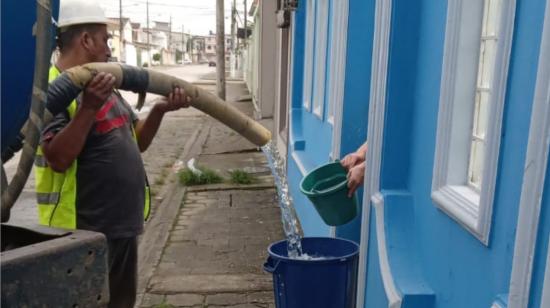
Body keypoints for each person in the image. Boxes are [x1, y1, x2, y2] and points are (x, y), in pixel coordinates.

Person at [34, 0, 191, 307]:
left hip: (121, 227)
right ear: (86, 40)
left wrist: (160, 109)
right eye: (105, 39)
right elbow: (57, 158)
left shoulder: (105, 84)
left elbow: (138, 141)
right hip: (81, 233)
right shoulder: (53, 91)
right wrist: (89, 107)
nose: (108, 48)